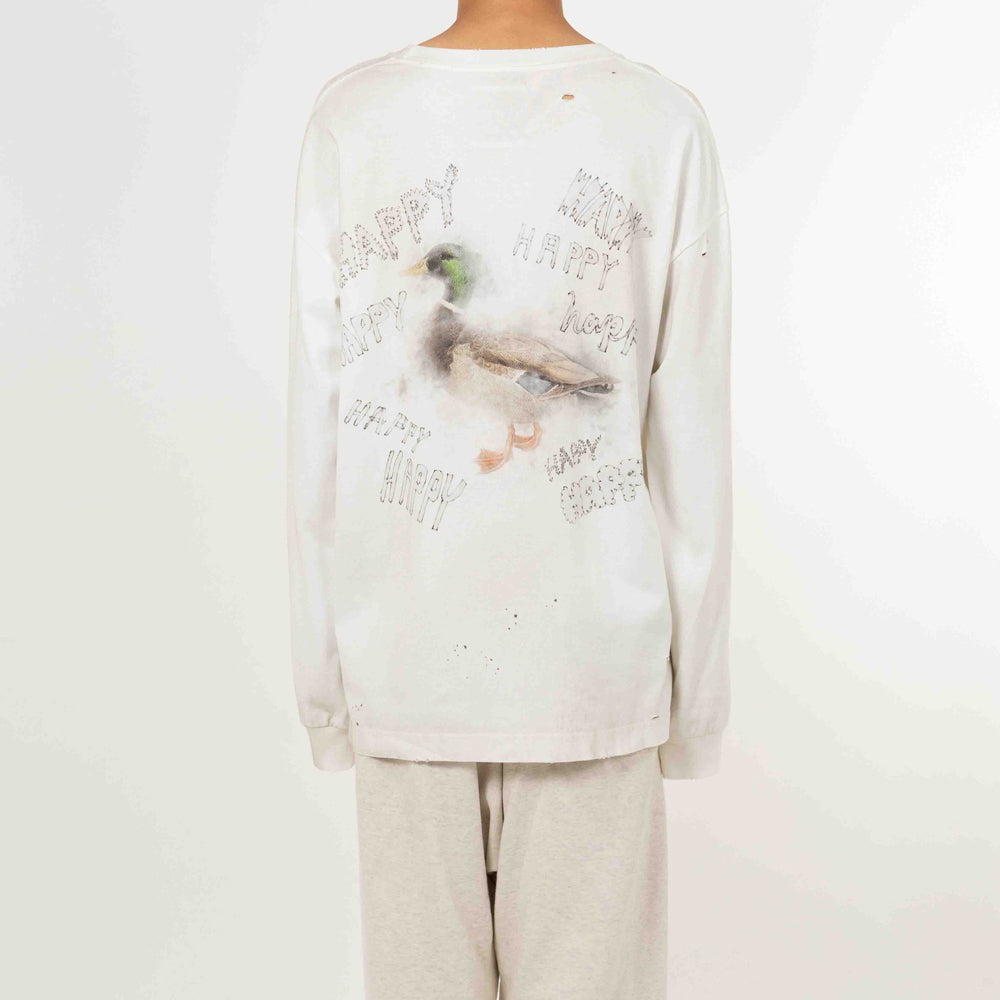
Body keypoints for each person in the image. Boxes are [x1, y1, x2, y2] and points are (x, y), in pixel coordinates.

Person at [286, 1, 733, 996]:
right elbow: (692, 439)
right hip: (593, 670)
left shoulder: (355, 116)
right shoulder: (659, 120)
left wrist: (324, 686)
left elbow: (318, 433)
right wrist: (693, 699)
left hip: (404, 661)